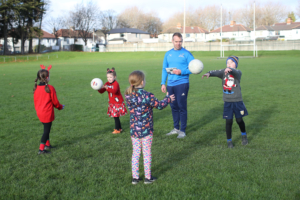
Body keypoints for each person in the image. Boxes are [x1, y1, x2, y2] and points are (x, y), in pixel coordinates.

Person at [125, 71, 175, 184]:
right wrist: (168, 99)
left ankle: (135, 178)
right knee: (146, 153)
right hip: (146, 130)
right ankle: (148, 178)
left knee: (136, 153)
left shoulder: (128, 95)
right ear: (142, 82)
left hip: (134, 131)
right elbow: (160, 105)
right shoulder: (148, 95)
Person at [202, 56, 248, 148]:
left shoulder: (238, 73)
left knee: (239, 120)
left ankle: (244, 135)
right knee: (228, 121)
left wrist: (230, 69)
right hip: (227, 101)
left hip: (237, 101)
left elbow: (234, 71)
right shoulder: (223, 72)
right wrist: (209, 73)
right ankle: (229, 141)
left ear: (236, 64)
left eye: (231, 62)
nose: (229, 64)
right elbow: (216, 72)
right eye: (228, 63)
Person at [161, 32, 195, 139]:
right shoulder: (168, 54)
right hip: (170, 85)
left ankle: (182, 130)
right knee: (173, 106)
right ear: (172, 41)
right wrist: (163, 83)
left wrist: (182, 72)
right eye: (176, 41)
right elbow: (164, 69)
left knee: (181, 106)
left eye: (180, 41)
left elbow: (194, 68)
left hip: (182, 83)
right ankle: (176, 128)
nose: (178, 43)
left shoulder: (187, 54)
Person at [33, 65, 64, 155]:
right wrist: (60, 107)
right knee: (46, 131)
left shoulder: (36, 88)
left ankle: (47, 145)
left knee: (46, 128)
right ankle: (41, 149)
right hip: (47, 113)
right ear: (47, 77)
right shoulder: (50, 88)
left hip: (39, 112)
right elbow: (55, 102)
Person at [98, 68, 127, 134]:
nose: (109, 78)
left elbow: (114, 91)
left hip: (117, 103)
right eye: (108, 77)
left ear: (114, 77)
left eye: (111, 77)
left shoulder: (116, 83)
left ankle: (117, 129)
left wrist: (107, 88)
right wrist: (98, 88)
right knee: (115, 117)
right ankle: (119, 128)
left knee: (116, 117)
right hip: (112, 103)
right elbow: (101, 91)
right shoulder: (107, 83)